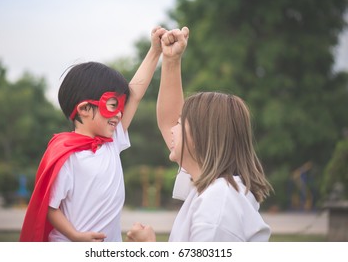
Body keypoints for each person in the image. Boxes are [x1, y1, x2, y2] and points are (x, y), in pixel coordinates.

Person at [19, 26, 167, 242]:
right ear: (85, 109)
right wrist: (75, 236)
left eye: (121, 106)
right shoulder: (68, 156)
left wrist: (155, 51)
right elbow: (50, 207)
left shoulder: (110, 141)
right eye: (112, 105)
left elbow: (134, 95)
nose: (119, 113)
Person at [126, 27, 273, 242]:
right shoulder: (211, 187)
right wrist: (171, 59)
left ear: (200, 137)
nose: (171, 129)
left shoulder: (218, 206)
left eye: (180, 123)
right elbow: (168, 121)